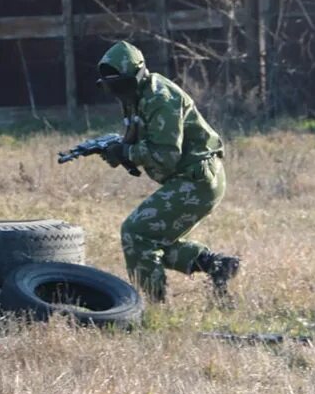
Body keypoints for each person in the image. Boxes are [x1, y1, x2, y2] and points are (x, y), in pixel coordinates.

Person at [96, 40, 240, 302]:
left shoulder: (161, 99)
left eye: (121, 86)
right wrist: (118, 149)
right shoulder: (136, 95)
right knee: (152, 238)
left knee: (135, 232)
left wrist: (125, 153)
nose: (118, 94)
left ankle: (154, 306)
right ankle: (217, 265)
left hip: (197, 179)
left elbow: (166, 156)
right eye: (111, 88)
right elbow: (139, 136)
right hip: (193, 176)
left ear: (137, 77)